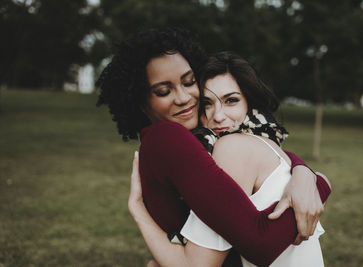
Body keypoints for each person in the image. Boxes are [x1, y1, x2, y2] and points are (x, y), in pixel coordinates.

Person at [96, 28, 331, 266]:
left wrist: (306, 173)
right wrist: (321, 183)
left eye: (189, 82)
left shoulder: (224, 143)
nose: (184, 98)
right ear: (140, 103)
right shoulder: (173, 138)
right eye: (164, 91)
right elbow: (256, 244)